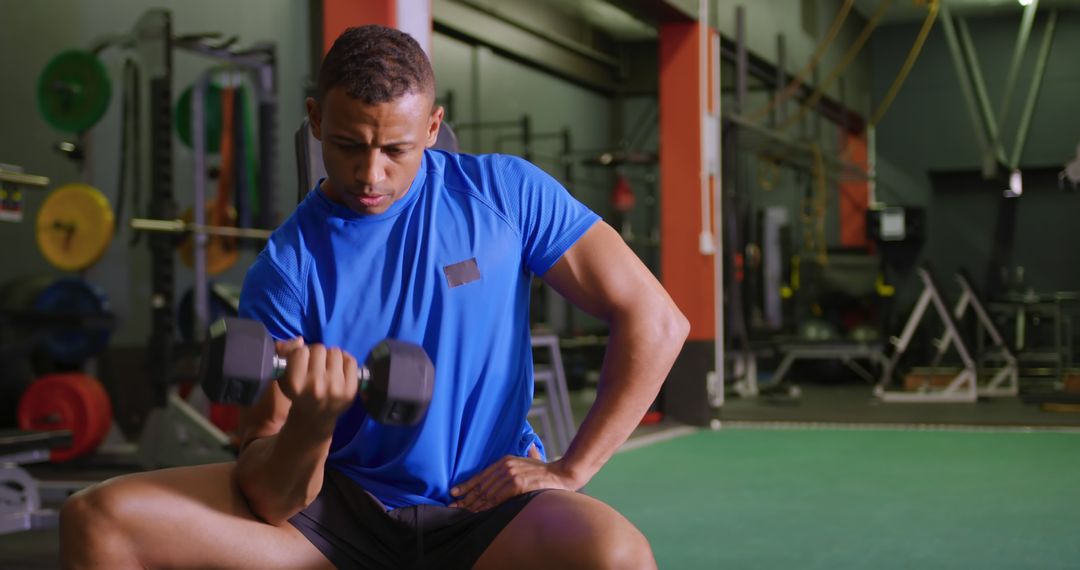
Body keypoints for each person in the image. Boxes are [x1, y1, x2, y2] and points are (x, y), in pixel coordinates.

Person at [60, 25, 688, 570]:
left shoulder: (503, 195)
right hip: (339, 516)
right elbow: (273, 498)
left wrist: (570, 468)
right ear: (315, 120)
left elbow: (657, 320)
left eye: (396, 150)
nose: (371, 175)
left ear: (433, 126)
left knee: (617, 557)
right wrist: (313, 421)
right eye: (348, 146)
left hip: (484, 506)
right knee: (97, 519)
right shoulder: (287, 266)